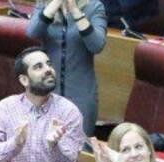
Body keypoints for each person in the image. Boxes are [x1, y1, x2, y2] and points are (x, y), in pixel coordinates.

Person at [26, 0, 107, 136]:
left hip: (81, 93)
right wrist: (54, 4)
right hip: (46, 91)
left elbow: (97, 45)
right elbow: (33, 33)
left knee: (79, 147)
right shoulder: (43, 5)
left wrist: (75, 11)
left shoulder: (94, 6)